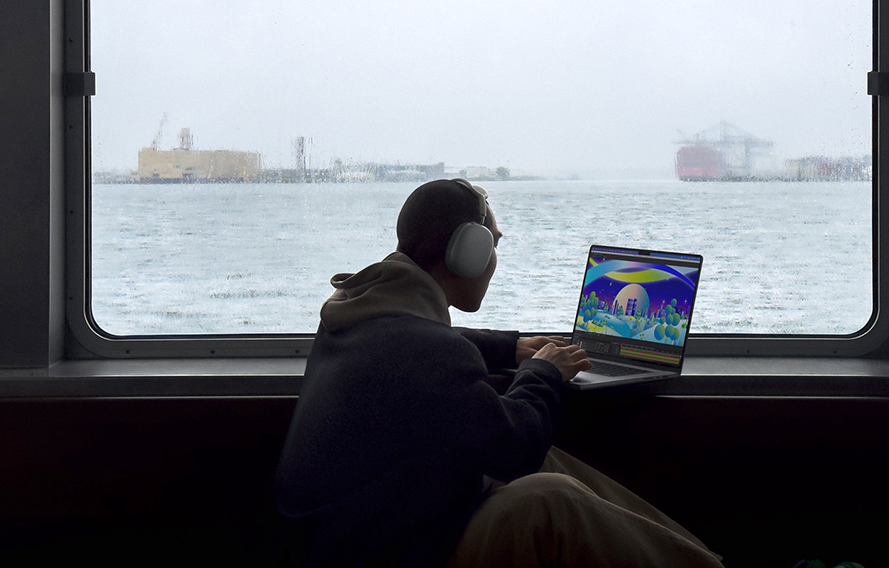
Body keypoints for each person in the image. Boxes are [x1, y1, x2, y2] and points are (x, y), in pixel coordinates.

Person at [274, 179, 723, 567]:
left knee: (548, 464)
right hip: (388, 556)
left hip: (353, 539)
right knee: (551, 500)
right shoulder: (428, 351)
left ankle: (700, 559)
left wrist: (509, 347)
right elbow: (518, 447)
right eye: (493, 244)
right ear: (468, 253)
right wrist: (543, 371)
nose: (493, 258)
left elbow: (416, 338)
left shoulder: (355, 313)